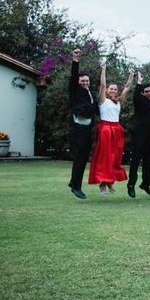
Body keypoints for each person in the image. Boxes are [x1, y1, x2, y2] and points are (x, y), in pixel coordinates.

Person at [88, 63, 134, 195]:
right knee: (104, 157)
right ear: (107, 90)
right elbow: (102, 84)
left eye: (115, 89)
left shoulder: (118, 100)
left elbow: (127, 87)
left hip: (117, 129)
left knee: (115, 157)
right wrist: (103, 69)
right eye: (111, 89)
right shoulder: (102, 100)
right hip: (105, 129)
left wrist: (131, 75)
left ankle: (109, 181)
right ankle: (102, 183)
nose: (113, 90)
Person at [67, 48, 98, 199]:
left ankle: (73, 181)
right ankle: (76, 187)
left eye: (87, 80)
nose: (85, 82)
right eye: (82, 80)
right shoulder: (75, 90)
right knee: (80, 157)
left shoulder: (91, 93)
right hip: (78, 128)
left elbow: (94, 109)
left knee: (84, 156)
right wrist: (75, 60)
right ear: (78, 82)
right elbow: (73, 76)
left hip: (87, 129)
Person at [127, 71, 150, 198]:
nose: (149, 93)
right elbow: (135, 95)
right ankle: (131, 185)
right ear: (142, 92)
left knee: (147, 161)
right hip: (139, 135)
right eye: (146, 91)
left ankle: (146, 184)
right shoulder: (140, 100)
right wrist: (138, 82)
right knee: (135, 161)